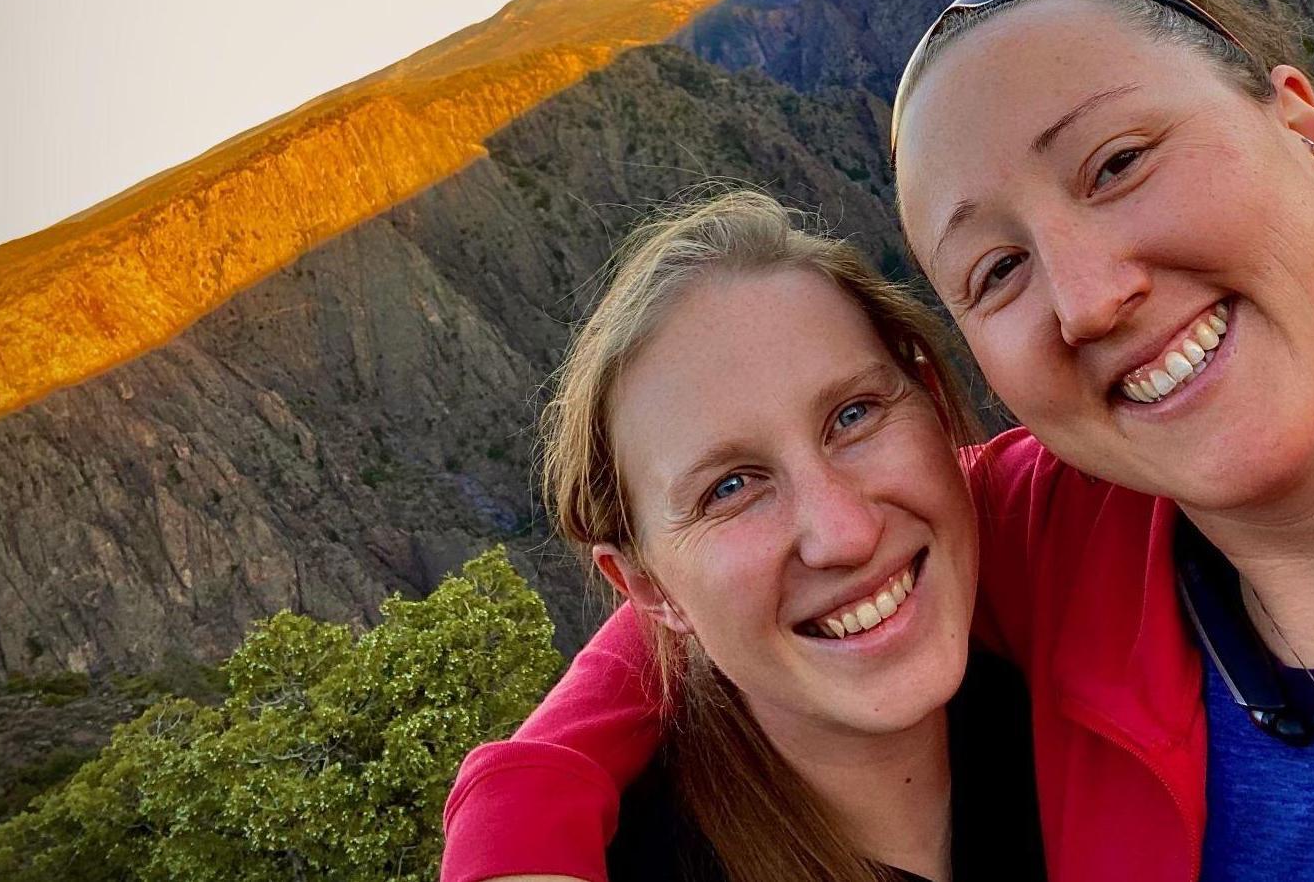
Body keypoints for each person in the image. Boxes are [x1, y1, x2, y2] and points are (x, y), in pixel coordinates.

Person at [442, 0, 1314, 882]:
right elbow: (706, 591)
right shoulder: (1076, 536)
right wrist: (521, 820)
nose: (1088, 298)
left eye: (1119, 162)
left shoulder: (1044, 532)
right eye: (997, 270)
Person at [442, 190, 1044, 882]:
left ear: (933, 403)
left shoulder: (1079, 692)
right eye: (730, 488)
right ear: (649, 589)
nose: (842, 534)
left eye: (853, 415)